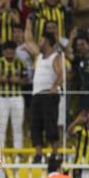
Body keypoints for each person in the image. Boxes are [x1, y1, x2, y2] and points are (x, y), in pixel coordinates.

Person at [30, 33, 63, 163]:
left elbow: (61, 73)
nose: (39, 42)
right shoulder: (39, 57)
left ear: (48, 41)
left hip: (49, 94)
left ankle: (55, 154)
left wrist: (54, 86)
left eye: (41, 39)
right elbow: (28, 40)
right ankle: (38, 154)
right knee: (35, 125)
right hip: (36, 94)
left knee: (51, 124)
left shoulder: (55, 57)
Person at [0, 41, 26, 151]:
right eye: (7, 49)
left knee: (18, 128)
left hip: (17, 98)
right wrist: (0, 80)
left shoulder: (21, 63)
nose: (10, 52)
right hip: (1, 98)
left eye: (12, 49)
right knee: (1, 128)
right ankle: (1, 157)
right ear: (3, 51)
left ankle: (18, 155)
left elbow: (26, 81)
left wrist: (18, 81)